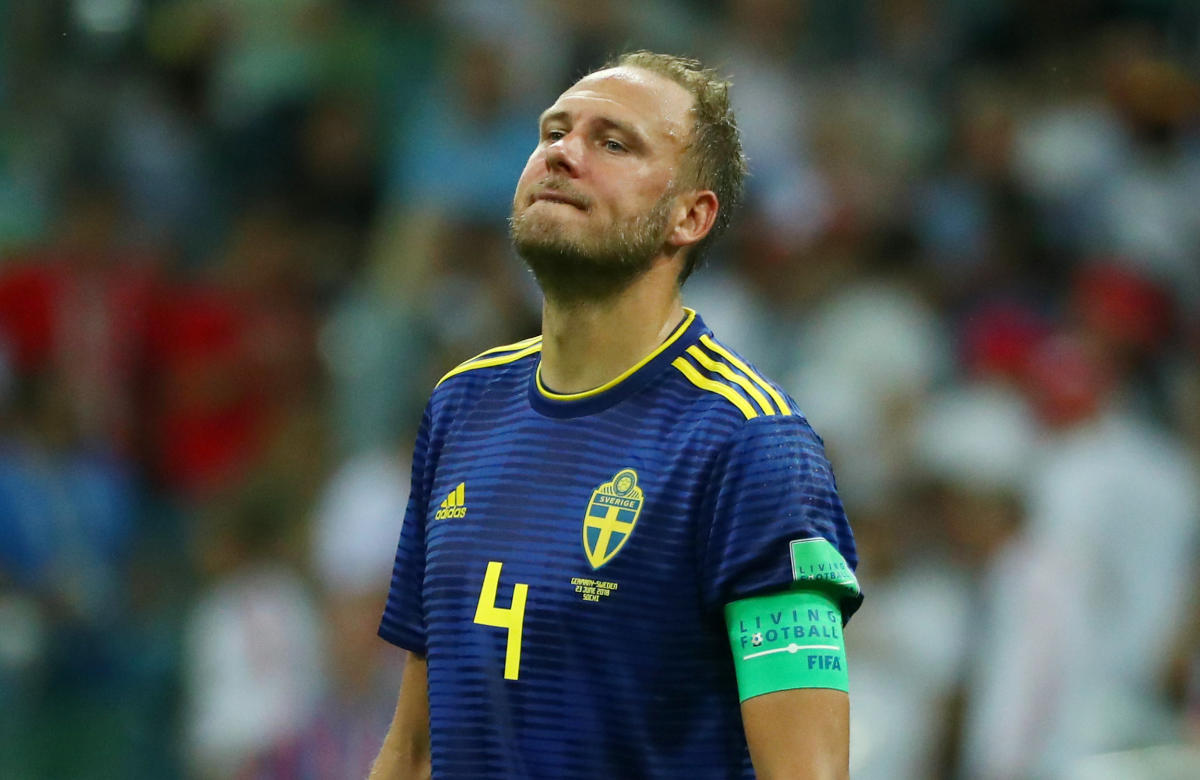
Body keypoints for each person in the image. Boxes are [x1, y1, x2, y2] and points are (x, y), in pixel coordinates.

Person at [370, 51, 861, 780]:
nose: (563, 154)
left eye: (613, 142)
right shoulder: (461, 406)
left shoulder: (750, 445)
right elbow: (415, 750)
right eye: (553, 132)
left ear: (690, 216)